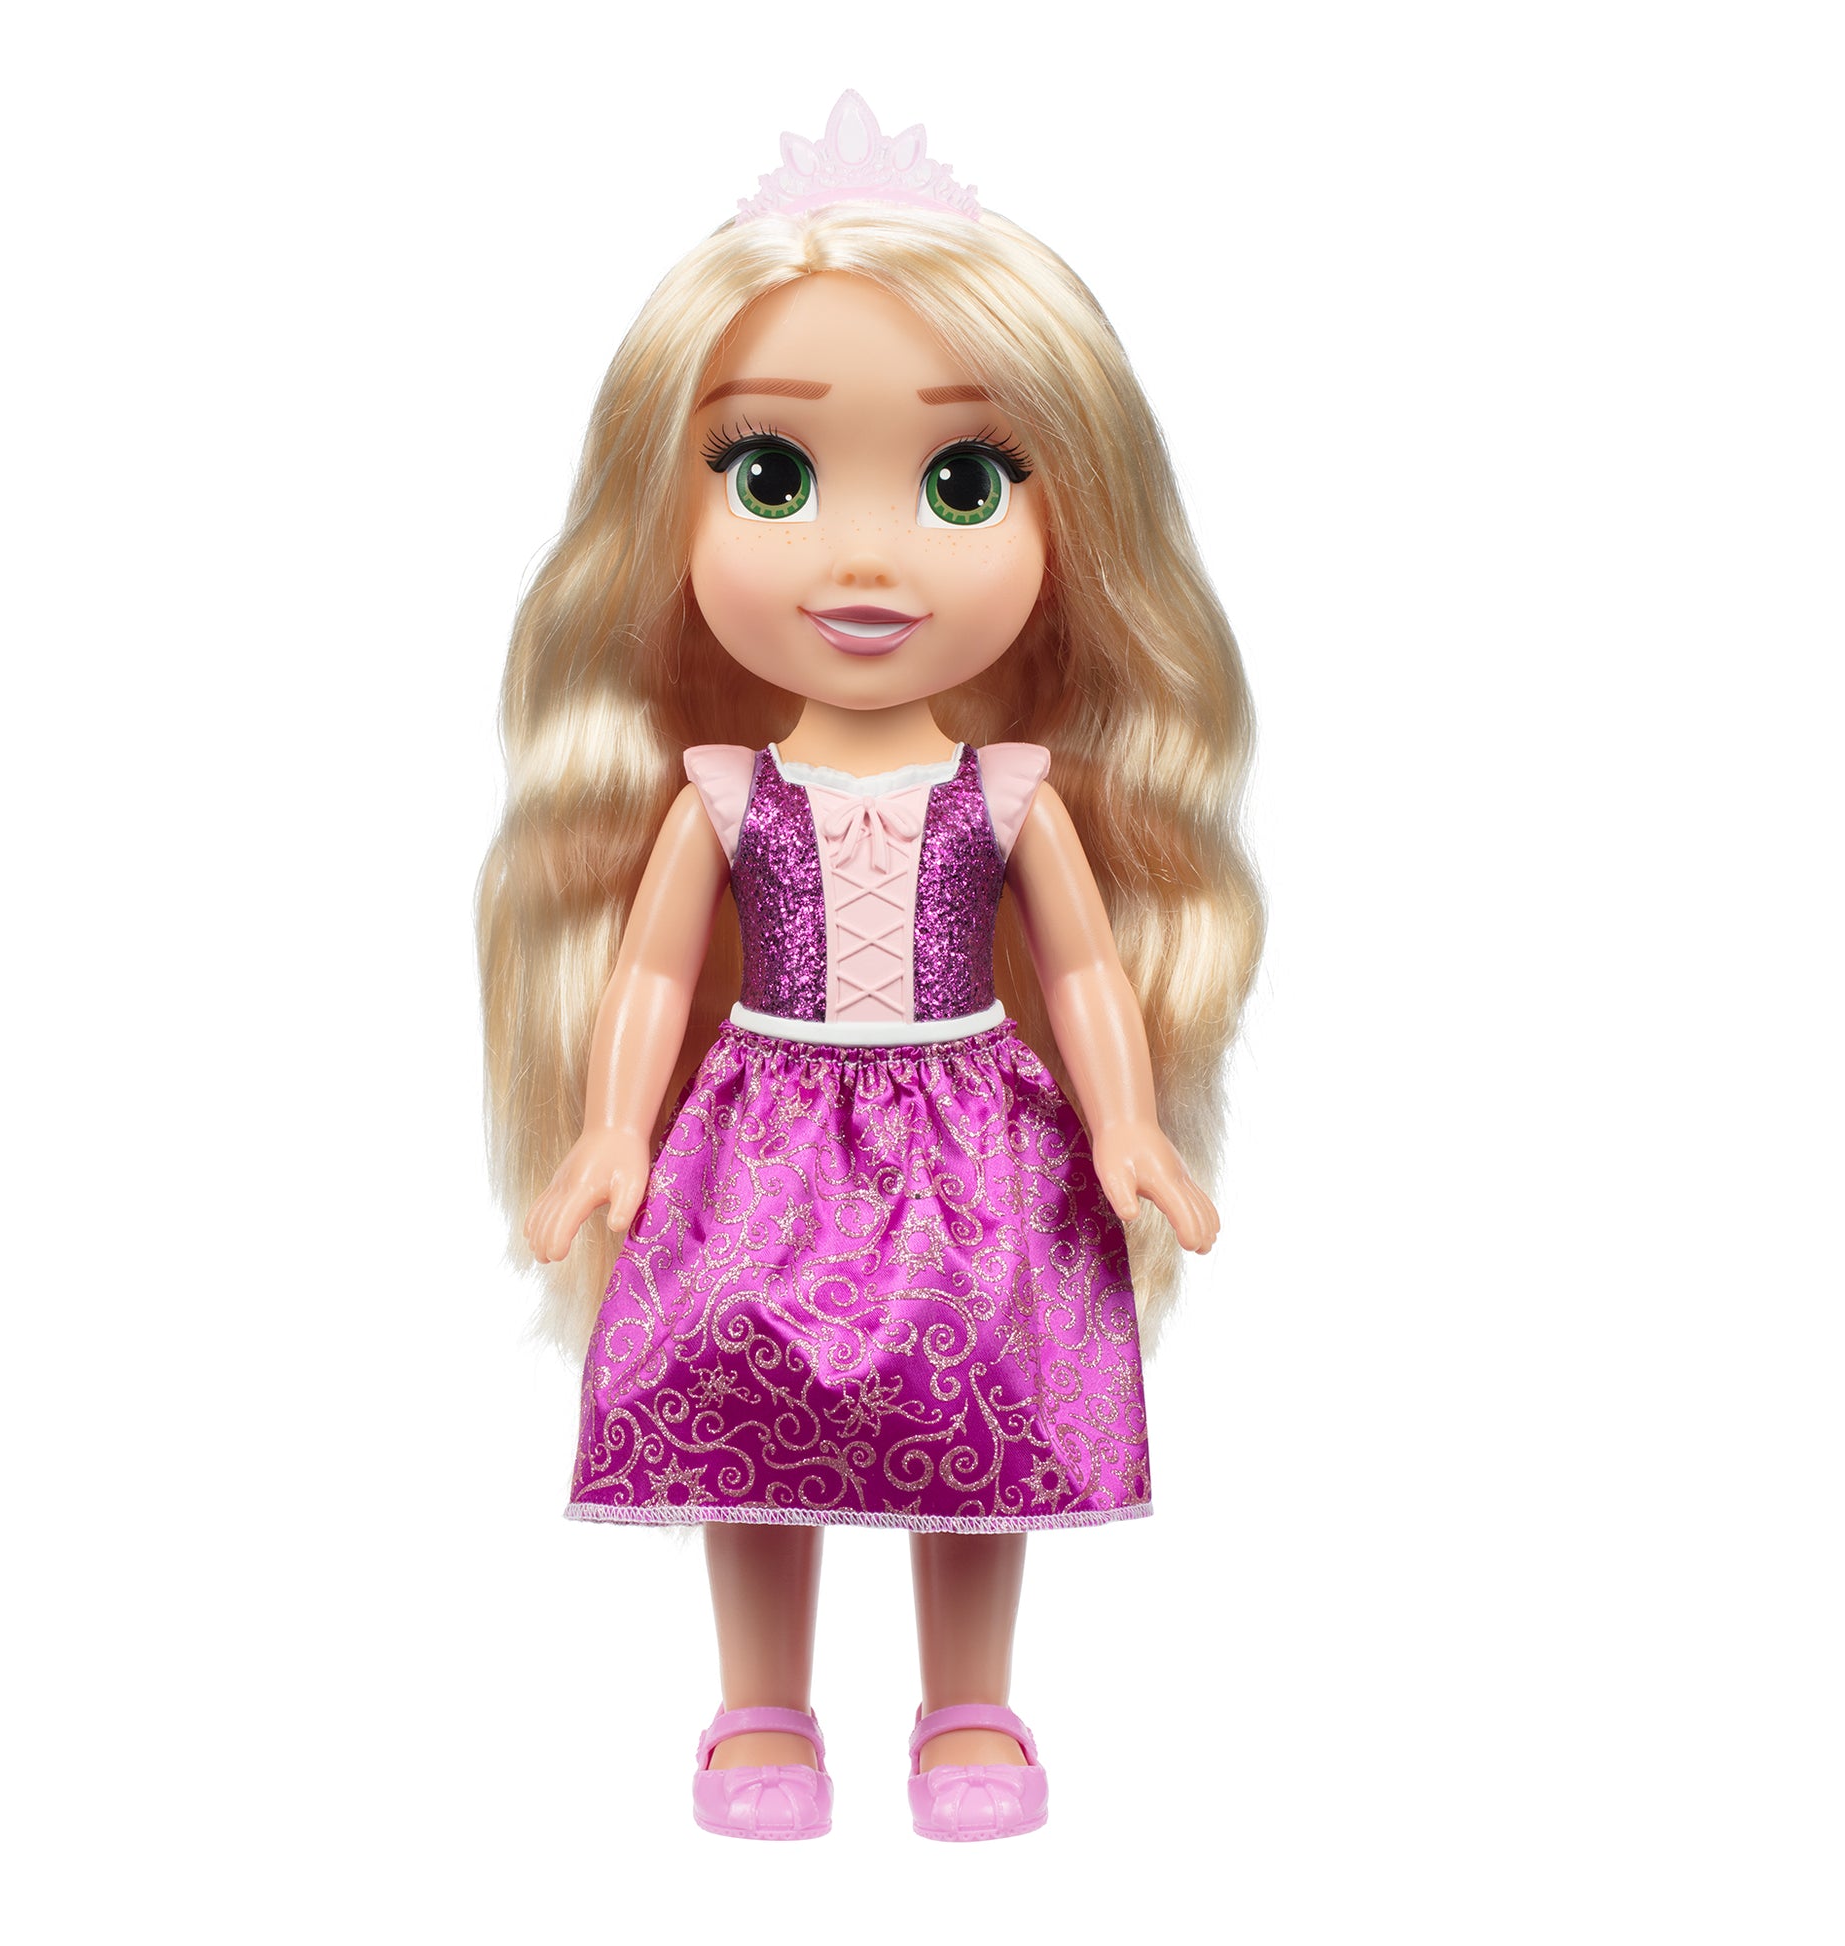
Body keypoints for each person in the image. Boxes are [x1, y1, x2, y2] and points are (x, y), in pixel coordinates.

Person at [476, 90, 1264, 1842]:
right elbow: (650, 978)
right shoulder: (720, 790)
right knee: (740, 1386)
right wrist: (608, 1132)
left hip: (968, 1128)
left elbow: (1079, 975)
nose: (863, 552)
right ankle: (759, 1703)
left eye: (960, 481)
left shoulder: (1010, 791)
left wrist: (1127, 1124)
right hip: (762, 1129)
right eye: (771, 475)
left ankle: (968, 1701)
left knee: (977, 1391)